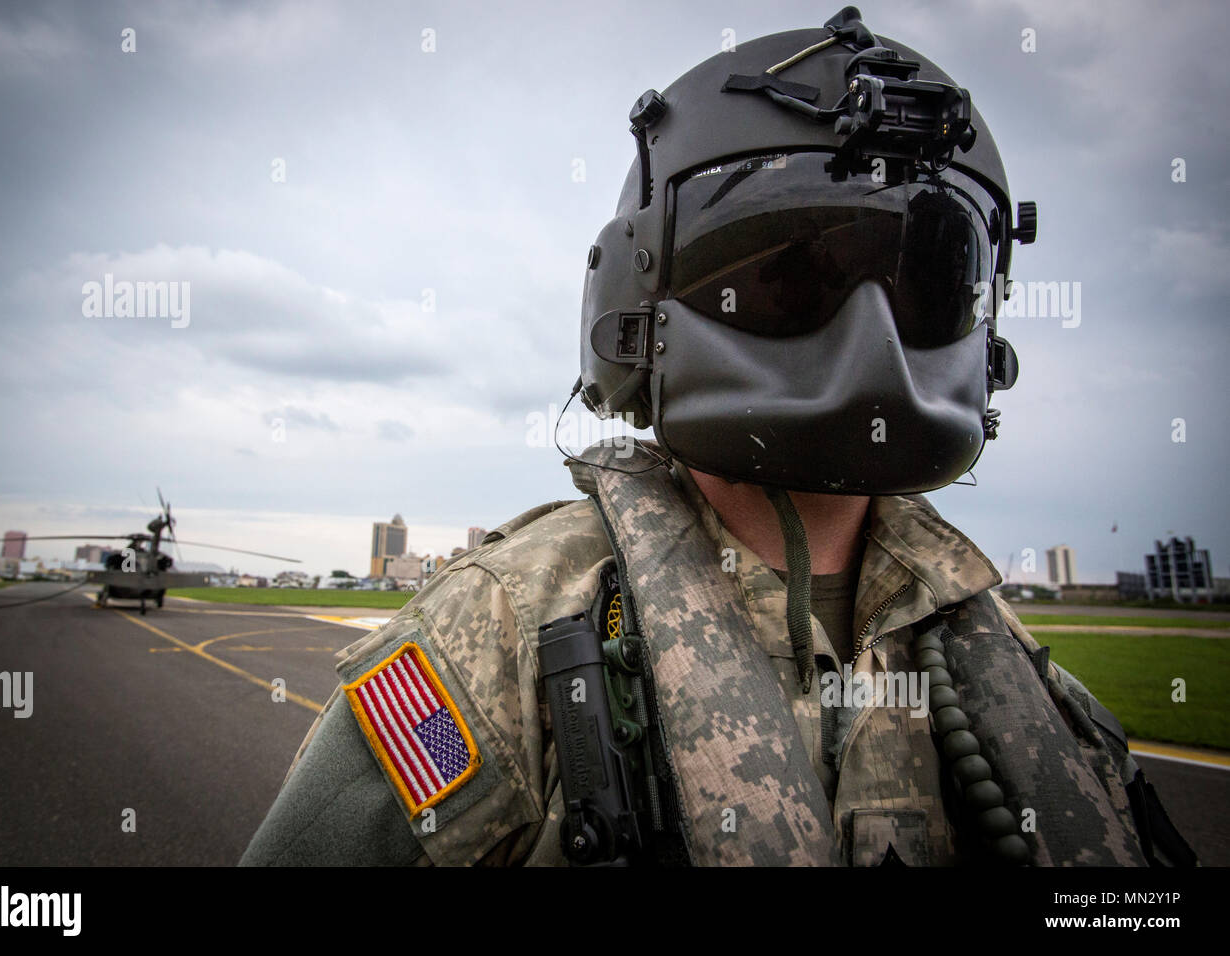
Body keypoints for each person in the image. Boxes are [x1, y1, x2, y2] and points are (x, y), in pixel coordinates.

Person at [240, 7, 1195, 867]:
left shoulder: (1007, 664)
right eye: (787, 274)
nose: (870, 339)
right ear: (637, 306)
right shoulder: (492, 635)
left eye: (922, 279)